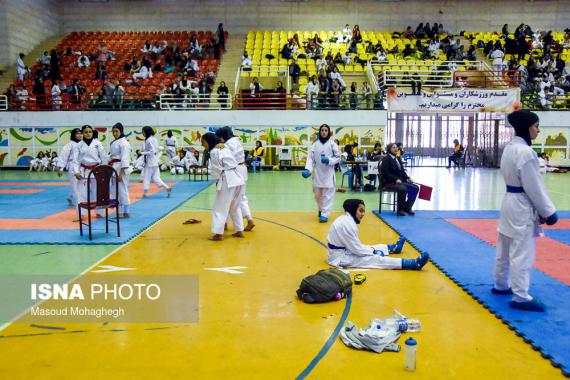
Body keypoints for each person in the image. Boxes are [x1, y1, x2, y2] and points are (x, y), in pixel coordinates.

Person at [493, 110, 558, 312]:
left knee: (504, 246)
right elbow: (534, 187)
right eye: (536, 126)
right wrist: (548, 211)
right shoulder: (526, 153)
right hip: (521, 204)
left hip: (509, 201)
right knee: (522, 251)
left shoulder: (510, 148)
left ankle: (501, 284)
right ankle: (521, 296)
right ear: (527, 127)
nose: (538, 130)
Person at [327, 199, 429, 270]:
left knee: (369, 247)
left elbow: (357, 247)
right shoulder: (347, 224)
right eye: (361, 211)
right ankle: (413, 264)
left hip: (343, 250)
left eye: (364, 211)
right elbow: (357, 250)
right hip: (339, 258)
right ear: (353, 210)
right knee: (374, 259)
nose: (363, 214)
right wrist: (374, 252)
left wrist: (372, 250)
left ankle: (393, 248)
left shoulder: (346, 219)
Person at [202, 133, 245, 241]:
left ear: (208, 141)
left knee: (219, 207)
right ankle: (239, 230)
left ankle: (218, 234)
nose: (203, 145)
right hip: (238, 178)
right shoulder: (224, 147)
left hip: (227, 179)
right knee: (234, 206)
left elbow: (217, 169)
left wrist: (217, 180)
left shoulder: (214, 151)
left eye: (203, 142)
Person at [215, 126, 255, 231]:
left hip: (235, 170)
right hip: (241, 168)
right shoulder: (235, 140)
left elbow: (226, 156)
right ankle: (244, 220)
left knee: (231, 197)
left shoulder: (229, 144)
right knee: (238, 197)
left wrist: (219, 147)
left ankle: (226, 223)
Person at [302, 124, 341, 222]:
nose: (324, 132)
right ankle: (321, 209)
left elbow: (338, 157)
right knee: (317, 195)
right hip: (317, 174)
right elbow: (310, 158)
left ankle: (325, 213)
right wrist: (308, 169)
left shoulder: (332, 144)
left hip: (328, 175)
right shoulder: (315, 145)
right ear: (320, 132)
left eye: (325, 130)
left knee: (327, 196)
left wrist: (329, 160)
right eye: (322, 130)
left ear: (328, 132)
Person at [72, 125, 107, 218]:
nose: (88, 134)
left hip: (97, 170)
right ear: (82, 133)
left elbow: (103, 157)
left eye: (90, 132)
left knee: (98, 192)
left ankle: (99, 212)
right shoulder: (78, 145)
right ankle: (81, 213)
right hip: (83, 170)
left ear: (92, 132)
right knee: (81, 192)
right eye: (86, 132)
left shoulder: (98, 143)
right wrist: (76, 171)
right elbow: (75, 160)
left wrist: (104, 170)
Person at [380, 143, 419, 216]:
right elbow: (385, 173)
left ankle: (407, 208)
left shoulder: (397, 158)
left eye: (396, 147)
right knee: (403, 189)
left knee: (415, 188)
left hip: (400, 181)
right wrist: (395, 180)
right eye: (393, 147)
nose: (396, 149)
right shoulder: (386, 159)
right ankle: (400, 210)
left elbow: (402, 171)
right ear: (389, 149)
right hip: (389, 182)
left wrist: (408, 178)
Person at [109, 123, 132, 218]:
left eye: (116, 131)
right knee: (119, 191)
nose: (114, 133)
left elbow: (125, 159)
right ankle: (125, 212)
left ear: (121, 131)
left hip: (121, 169)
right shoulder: (116, 142)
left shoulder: (124, 143)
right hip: (114, 167)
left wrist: (121, 173)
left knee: (120, 191)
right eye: (113, 131)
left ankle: (121, 213)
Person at [141, 126, 171, 198]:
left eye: (143, 132)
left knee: (146, 178)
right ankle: (167, 188)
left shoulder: (148, 140)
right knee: (156, 178)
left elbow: (152, 151)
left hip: (150, 163)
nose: (142, 133)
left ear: (146, 132)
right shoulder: (154, 139)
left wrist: (143, 153)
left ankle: (145, 193)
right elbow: (157, 149)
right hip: (155, 162)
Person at [56, 128, 82, 206]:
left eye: (80, 133)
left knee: (81, 184)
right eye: (77, 133)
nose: (79, 135)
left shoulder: (82, 144)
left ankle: (70, 196)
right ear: (73, 135)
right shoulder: (69, 145)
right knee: (75, 184)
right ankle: (79, 202)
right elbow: (63, 156)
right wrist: (61, 168)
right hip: (72, 166)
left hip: (82, 166)